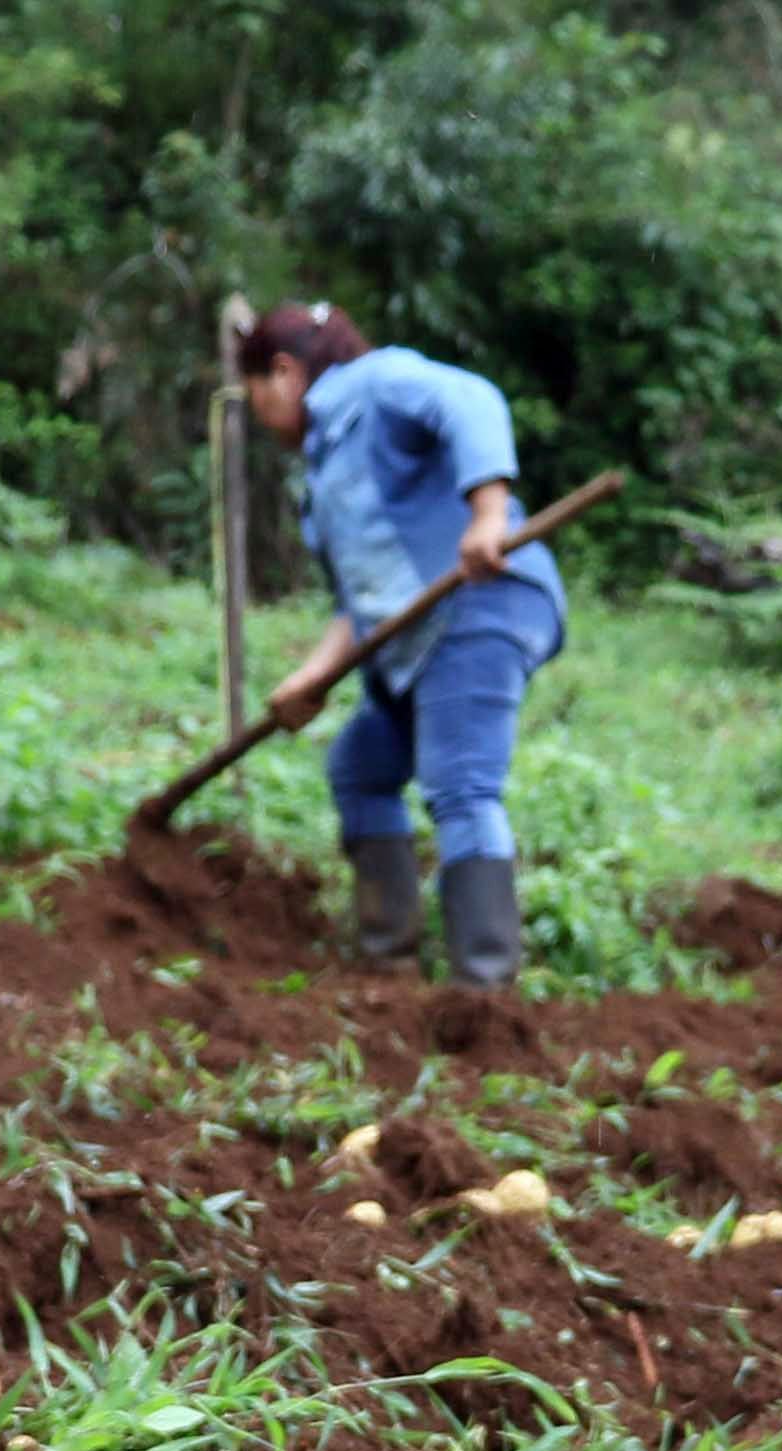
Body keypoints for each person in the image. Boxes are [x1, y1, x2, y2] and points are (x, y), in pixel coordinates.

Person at [236, 299, 568, 987]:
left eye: (255, 394)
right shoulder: (323, 471)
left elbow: (471, 399)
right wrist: (313, 677)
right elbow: (358, 603)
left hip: (482, 603)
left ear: (285, 371)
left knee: (461, 783)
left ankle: (484, 988)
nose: (259, 414)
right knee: (360, 768)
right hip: (414, 639)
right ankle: (387, 963)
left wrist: (486, 515)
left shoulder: (375, 383)